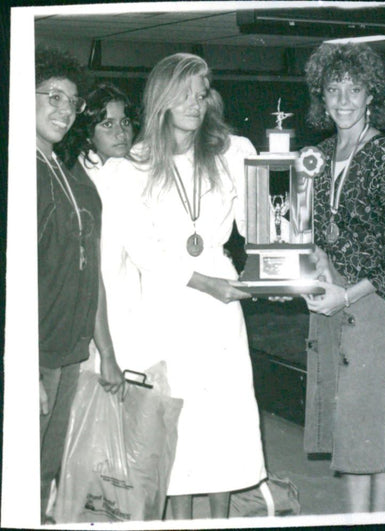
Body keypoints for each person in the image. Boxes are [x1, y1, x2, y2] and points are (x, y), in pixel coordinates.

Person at [100, 53, 265, 519]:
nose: (196, 102)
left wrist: (279, 238)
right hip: (166, 303)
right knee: (176, 425)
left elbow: (257, 226)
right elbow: (142, 247)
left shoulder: (231, 152)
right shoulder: (131, 164)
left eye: (202, 91)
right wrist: (204, 282)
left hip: (219, 305)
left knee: (223, 422)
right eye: (185, 92)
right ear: (161, 97)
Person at [300, 43, 385, 513]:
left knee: (381, 429)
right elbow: (309, 229)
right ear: (322, 96)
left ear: (372, 94)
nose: (344, 99)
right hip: (327, 300)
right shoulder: (318, 154)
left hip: (370, 304)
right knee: (348, 428)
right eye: (334, 89)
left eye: (355, 89)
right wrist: (313, 268)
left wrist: (347, 295)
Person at [35, 46, 125, 524]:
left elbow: (89, 269)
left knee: (48, 468)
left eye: (71, 102)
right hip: (39, 350)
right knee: (22, 470)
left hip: (69, 349)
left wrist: (104, 351)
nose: (64, 110)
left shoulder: (66, 171)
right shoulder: (25, 171)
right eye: (52, 97)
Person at [58, 83, 140, 371]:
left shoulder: (131, 169)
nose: (121, 132)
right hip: (87, 301)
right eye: (107, 124)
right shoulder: (75, 175)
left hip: (129, 296)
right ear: (88, 132)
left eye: (125, 122)